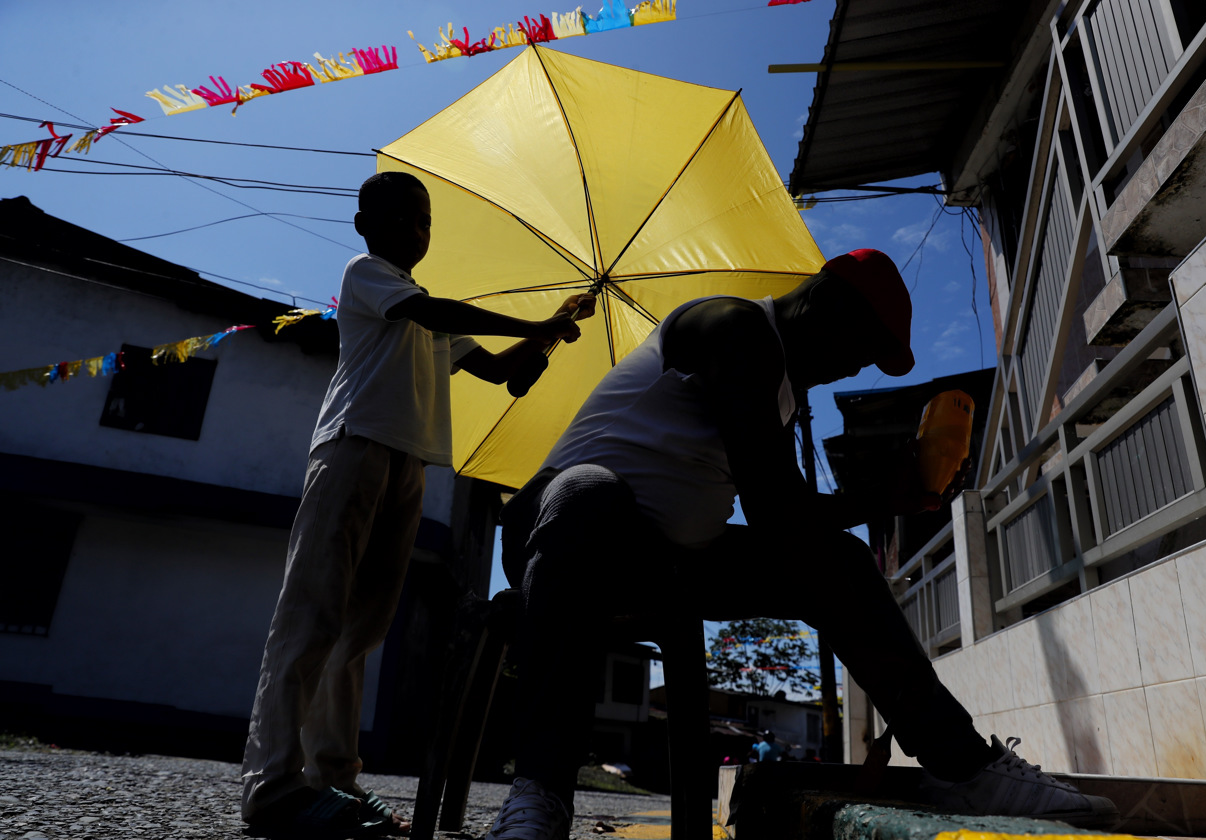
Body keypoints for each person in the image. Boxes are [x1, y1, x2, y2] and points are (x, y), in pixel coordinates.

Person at [485, 249, 1118, 840]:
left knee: (838, 558)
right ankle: (540, 791)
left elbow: (786, 517)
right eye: (860, 349)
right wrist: (880, 498)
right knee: (589, 491)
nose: (855, 368)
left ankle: (964, 765)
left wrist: (887, 499)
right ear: (822, 304)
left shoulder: (778, 393)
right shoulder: (733, 327)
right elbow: (773, 507)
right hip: (561, 536)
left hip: (668, 562)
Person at [240, 170, 595, 839]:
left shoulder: (430, 313)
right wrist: (532, 319)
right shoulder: (369, 275)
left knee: (361, 631)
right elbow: (432, 314)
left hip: (409, 464)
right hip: (352, 448)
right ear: (364, 224)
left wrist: (555, 330)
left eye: (424, 220)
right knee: (312, 617)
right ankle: (273, 787)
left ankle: (333, 780)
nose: (414, 230)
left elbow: (502, 372)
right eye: (400, 217)